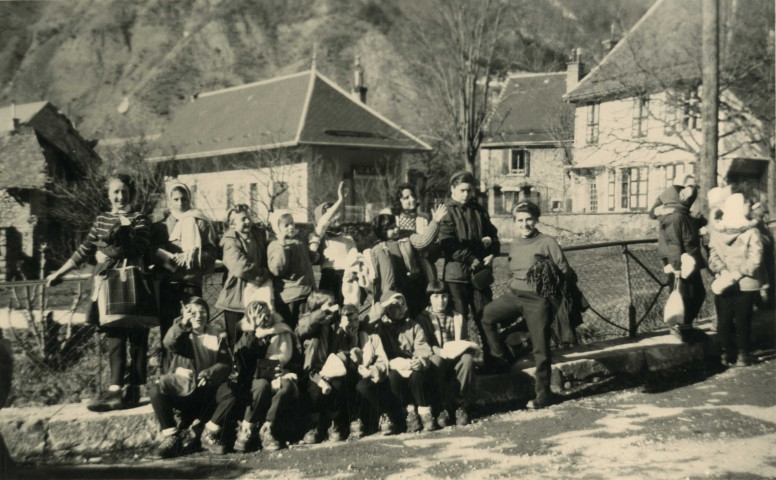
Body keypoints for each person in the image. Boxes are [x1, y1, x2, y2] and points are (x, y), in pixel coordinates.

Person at [47, 173, 154, 412]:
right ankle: (115, 390)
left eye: (124, 192)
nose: (119, 196)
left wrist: (107, 250)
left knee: (137, 337)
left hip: (134, 280)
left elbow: (137, 247)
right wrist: (60, 273)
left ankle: (135, 391)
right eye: (115, 192)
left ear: (131, 194)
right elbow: (84, 249)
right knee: (114, 336)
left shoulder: (140, 219)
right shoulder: (101, 220)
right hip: (108, 283)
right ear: (108, 195)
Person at [481, 201, 568, 409]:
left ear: (536, 220)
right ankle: (502, 361)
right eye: (520, 220)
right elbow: (513, 271)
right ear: (514, 222)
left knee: (541, 347)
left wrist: (549, 296)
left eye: (529, 219)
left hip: (538, 299)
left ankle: (543, 393)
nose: (525, 224)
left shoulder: (547, 242)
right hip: (515, 296)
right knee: (487, 316)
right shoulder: (515, 242)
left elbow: (564, 271)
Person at [149, 297, 234, 458]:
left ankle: (209, 433)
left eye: (202, 311)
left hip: (208, 389)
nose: (198, 315)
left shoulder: (216, 334)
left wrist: (209, 374)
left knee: (230, 393)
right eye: (193, 312)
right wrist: (182, 323)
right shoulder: (181, 332)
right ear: (185, 314)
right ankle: (171, 437)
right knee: (156, 390)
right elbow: (169, 343)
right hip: (185, 389)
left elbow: (226, 364)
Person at [152, 181, 218, 369]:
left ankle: (194, 373)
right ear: (169, 201)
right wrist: (165, 258)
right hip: (168, 284)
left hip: (190, 282)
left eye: (184, 198)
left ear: (190, 199)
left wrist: (192, 256)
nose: (180, 202)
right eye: (176, 199)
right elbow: (151, 252)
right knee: (170, 331)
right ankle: (168, 375)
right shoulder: (161, 226)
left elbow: (212, 253)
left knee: (195, 328)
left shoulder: (200, 221)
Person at [438, 170, 500, 367]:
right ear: (453, 189)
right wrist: (472, 258)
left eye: (469, 190)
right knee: (459, 322)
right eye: (462, 190)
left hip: (479, 274)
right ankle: (461, 366)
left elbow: (493, 234)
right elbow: (448, 244)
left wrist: (492, 250)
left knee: (486, 317)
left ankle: (494, 361)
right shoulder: (446, 211)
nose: (466, 194)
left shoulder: (478, 210)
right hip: (456, 277)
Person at [708, 193, 767, 367]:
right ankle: (743, 354)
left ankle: (726, 354)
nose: (748, 209)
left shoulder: (717, 231)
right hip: (746, 282)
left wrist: (723, 270)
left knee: (724, 318)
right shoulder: (751, 231)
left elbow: (712, 254)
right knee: (743, 319)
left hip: (724, 280)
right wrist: (739, 273)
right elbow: (756, 258)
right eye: (746, 205)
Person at [232, 301, 298, 452]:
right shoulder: (247, 334)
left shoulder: (281, 331)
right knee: (261, 385)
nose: (265, 319)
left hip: (277, 371)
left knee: (285, 386)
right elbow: (244, 359)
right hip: (254, 376)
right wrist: (254, 330)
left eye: (268, 315)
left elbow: (285, 356)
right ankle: (246, 428)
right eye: (259, 317)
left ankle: (267, 428)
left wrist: (280, 372)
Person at [370, 293, 437, 433]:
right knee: (393, 377)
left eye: (403, 305)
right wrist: (383, 305)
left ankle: (425, 413)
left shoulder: (413, 325)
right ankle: (409, 413)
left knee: (418, 374)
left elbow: (422, 347)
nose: (400, 309)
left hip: (411, 364)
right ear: (387, 309)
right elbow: (368, 321)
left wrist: (420, 360)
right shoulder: (380, 328)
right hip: (391, 366)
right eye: (395, 306)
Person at [368, 206, 446, 318]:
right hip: (395, 289)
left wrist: (435, 222)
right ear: (382, 232)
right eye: (391, 228)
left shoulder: (406, 238)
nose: (396, 229)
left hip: (413, 285)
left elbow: (423, 241)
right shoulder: (379, 248)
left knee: (418, 315)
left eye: (395, 226)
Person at [414, 280, 473, 427]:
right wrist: (439, 350)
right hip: (437, 355)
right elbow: (423, 344)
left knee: (467, 359)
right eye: (436, 297)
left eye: (444, 296)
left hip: (455, 356)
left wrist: (464, 347)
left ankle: (460, 405)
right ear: (429, 298)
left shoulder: (457, 317)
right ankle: (442, 407)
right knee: (436, 360)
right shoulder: (423, 318)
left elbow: (464, 339)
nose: (441, 301)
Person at [295, 290, 349, 444]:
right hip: (311, 372)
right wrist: (322, 312)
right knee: (314, 390)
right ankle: (314, 424)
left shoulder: (335, 327)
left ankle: (334, 423)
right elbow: (304, 325)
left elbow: (342, 350)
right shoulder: (308, 327)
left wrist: (340, 359)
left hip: (330, 370)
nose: (333, 311)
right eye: (328, 307)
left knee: (337, 385)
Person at [655, 182, 706, 340]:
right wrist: (676, 267)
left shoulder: (681, 214)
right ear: (678, 196)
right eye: (686, 195)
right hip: (681, 261)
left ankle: (684, 328)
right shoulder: (675, 216)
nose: (688, 199)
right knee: (687, 294)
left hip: (686, 259)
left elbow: (685, 233)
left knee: (692, 294)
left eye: (691, 196)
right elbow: (674, 243)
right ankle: (681, 329)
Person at [215, 204, 270, 352]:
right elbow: (240, 267)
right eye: (242, 219)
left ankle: (255, 371)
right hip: (236, 296)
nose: (247, 222)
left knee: (259, 336)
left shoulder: (257, 235)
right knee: (237, 340)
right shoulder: (230, 240)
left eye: (248, 218)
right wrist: (264, 274)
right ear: (232, 224)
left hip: (258, 294)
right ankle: (237, 369)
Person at [268, 212, 319, 330]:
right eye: (286, 225)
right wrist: (282, 245)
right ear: (277, 228)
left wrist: (314, 247)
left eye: (292, 223)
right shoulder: (275, 245)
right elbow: (277, 269)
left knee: (307, 330)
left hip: (306, 293)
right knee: (290, 331)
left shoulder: (298, 242)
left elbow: (309, 260)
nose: (291, 227)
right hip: (290, 297)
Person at [313, 181, 358, 306]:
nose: (336, 216)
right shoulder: (321, 236)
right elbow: (323, 222)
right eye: (332, 213)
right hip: (329, 276)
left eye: (338, 212)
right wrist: (340, 200)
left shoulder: (347, 238)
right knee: (328, 312)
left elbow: (354, 256)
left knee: (346, 311)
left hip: (346, 277)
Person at [390, 183, 442, 282]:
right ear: (398, 201)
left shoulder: (423, 218)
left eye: (413, 196)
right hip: (399, 266)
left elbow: (429, 244)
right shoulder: (394, 219)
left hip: (422, 266)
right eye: (406, 197)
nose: (412, 199)